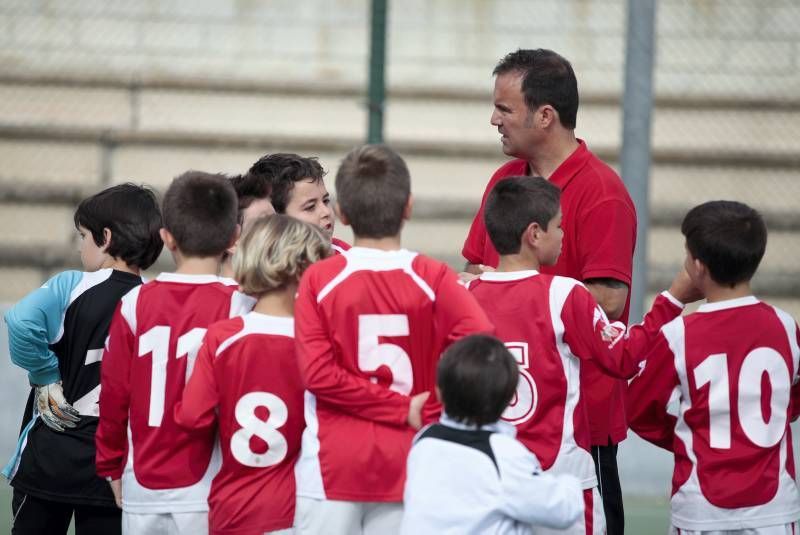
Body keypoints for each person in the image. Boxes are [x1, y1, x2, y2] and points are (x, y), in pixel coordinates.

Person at [461, 48, 637, 533]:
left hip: (579, 425)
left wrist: (523, 297)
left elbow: (609, 298)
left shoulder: (602, 192)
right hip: (506, 409)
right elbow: (477, 265)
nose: (493, 119)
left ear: (545, 116)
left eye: (504, 108)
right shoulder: (504, 181)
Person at [467, 176, 698, 534]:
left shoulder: (467, 295)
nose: (563, 234)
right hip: (561, 480)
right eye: (559, 226)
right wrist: (674, 299)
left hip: (489, 478)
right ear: (534, 234)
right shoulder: (563, 294)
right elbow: (624, 358)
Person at [293, 144, 493, 534]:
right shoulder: (432, 276)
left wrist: (401, 407)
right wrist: (423, 406)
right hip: (410, 460)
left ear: (344, 213)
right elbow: (483, 349)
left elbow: (317, 376)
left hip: (331, 465)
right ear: (409, 207)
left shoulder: (321, 278)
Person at [627, 201, 800, 534]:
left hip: (701, 509)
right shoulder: (786, 327)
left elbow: (638, 410)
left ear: (697, 266)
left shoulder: (678, 335)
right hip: (773, 509)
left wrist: (686, 436)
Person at [95, 171, 254, 535]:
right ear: (233, 237)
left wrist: (109, 463)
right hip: (207, 487)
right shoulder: (241, 304)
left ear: (166, 238)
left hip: (143, 481)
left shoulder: (134, 302)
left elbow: (114, 394)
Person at [3, 183, 163, 535]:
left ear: (105, 237)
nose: (80, 246)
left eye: (83, 235)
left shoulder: (71, 285)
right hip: (114, 466)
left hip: (51, 457)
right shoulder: (156, 299)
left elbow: (19, 321)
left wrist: (45, 374)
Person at [175, 215, 329, 535]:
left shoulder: (222, 337)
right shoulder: (316, 342)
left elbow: (191, 417)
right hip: (299, 508)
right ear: (300, 267)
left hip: (233, 506)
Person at [401, 334, 583, 535]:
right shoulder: (502, 454)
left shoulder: (424, 439)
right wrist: (571, 483)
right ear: (508, 400)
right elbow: (563, 510)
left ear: (439, 391)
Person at [248, 152, 351, 254]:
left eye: (325, 201)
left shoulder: (345, 256)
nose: (326, 212)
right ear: (276, 219)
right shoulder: (259, 265)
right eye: (310, 207)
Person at [219, 171, 275, 280]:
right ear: (232, 241)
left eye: (277, 221)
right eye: (264, 224)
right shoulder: (219, 296)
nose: (278, 231)